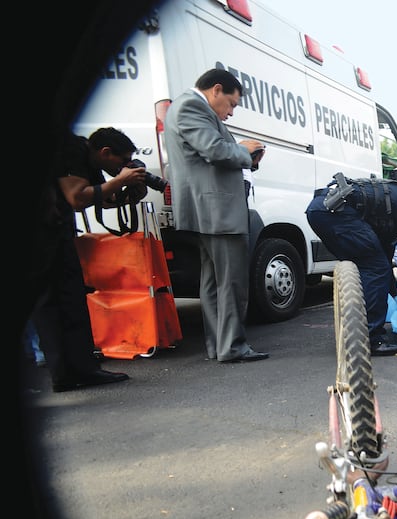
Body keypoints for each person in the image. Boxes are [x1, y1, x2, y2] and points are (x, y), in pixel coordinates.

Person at [163, 68, 268, 363]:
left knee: (212, 283)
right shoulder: (191, 105)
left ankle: (219, 345)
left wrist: (249, 158)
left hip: (209, 210)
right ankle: (232, 346)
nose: (232, 112)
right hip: (217, 210)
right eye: (232, 104)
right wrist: (244, 150)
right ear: (216, 90)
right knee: (232, 282)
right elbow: (215, 150)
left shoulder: (185, 107)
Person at [34, 127, 141, 392]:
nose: (121, 168)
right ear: (105, 152)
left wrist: (128, 190)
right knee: (65, 301)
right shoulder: (70, 148)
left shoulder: (88, 157)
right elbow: (76, 197)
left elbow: (101, 198)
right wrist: (119, 180)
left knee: (54, 303)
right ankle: (81, 370)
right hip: (45, 234)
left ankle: (66, 374)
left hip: (49, 231)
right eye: (121, 161)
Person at [305, 174, 397, 355]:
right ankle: (371, 338)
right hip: (335, 210)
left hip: (321, 210)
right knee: (374, 267)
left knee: (370, 265)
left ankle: (356, 330)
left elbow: (386, 257)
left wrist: (396, 295)